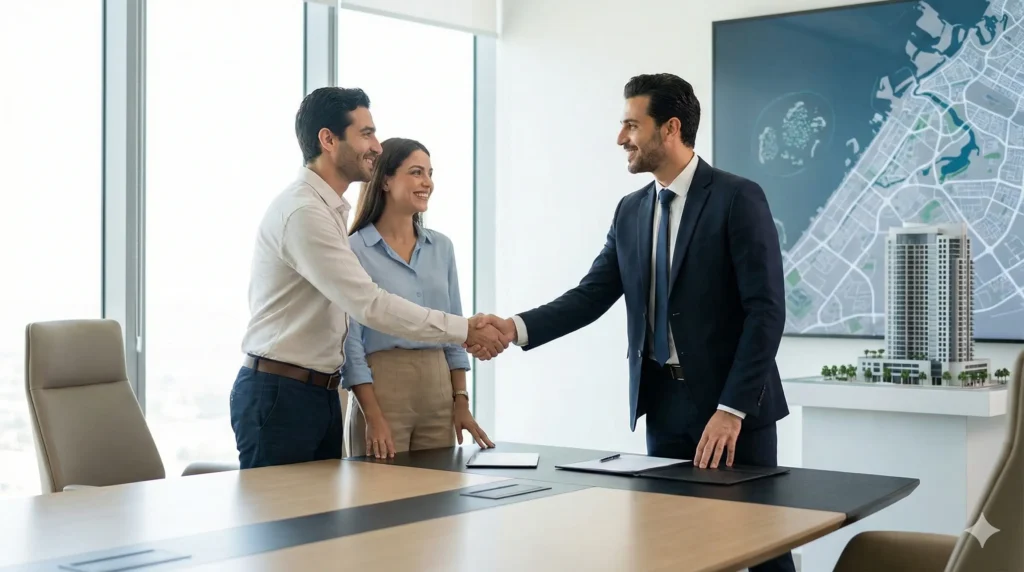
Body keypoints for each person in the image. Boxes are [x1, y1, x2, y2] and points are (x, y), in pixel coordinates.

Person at [473, 73, 793, 572]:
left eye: (630, 124)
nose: (620, 138)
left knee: (760, 549)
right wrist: (513, 327)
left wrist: (732, 409)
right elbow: (591, 295)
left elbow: (767, 310)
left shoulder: (736, 197)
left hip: (732, 411)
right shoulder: (630, 211)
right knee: (673, 546)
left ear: (669, 128)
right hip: (662, 404)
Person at [230, 87, 508, 470]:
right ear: (328, 140)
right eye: (366, 134)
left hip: (316, 392)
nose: (376, 147)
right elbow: (370, 305)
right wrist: (466, 328)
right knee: (282, 526)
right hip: (282, 394)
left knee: (321, 527)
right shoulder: (304, 213)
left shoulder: (329, 210)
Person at [341, 138, 495, 459]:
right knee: (379, 500)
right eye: (416, 172)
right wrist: (373, 415)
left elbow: (454, 329)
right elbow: (351, 342)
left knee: (439, 498)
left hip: (438, 387)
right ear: (385, 180)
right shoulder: (353, 249)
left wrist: (461, 401)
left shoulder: (442, 248)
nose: (428, 182)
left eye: (429, 173)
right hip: (382, 387)